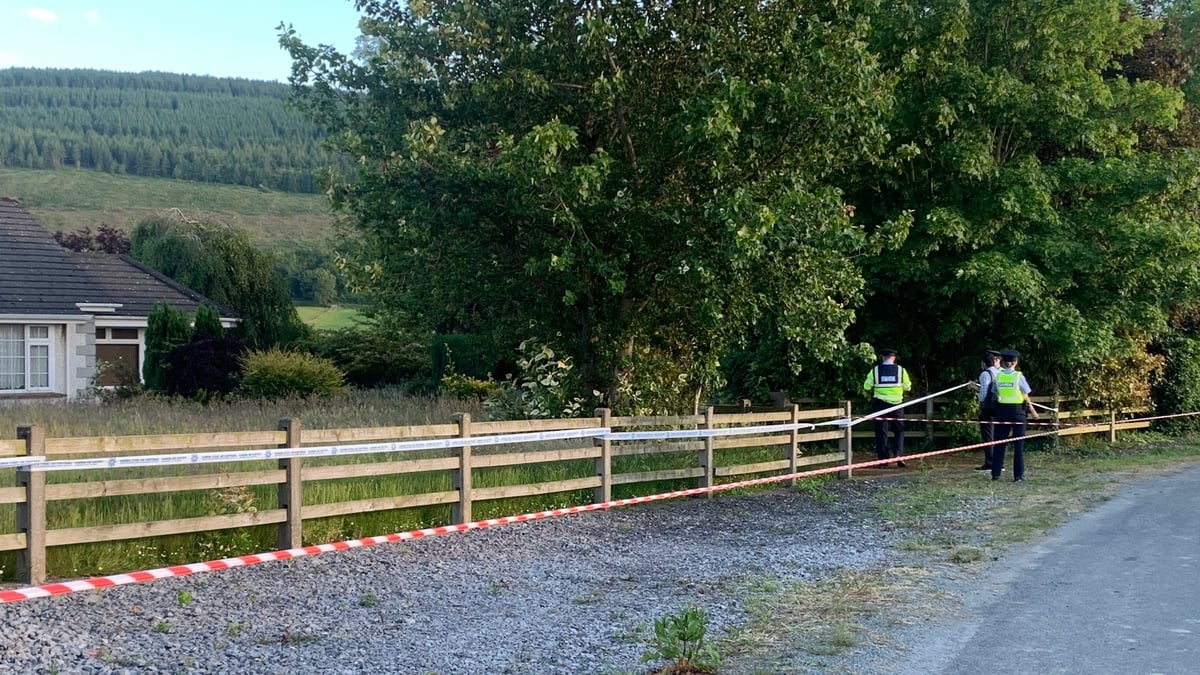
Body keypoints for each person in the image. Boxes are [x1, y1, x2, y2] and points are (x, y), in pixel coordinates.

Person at [990, 349, 1039, 482]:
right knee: (1018, 446)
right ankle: (1018, 476)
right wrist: (1033, 411)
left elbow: (994, 393)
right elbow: (1025, 395)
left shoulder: (998, 376)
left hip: (1002, 412)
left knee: (999, 444)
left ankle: (995, 474)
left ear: (1003, 362)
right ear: (1015, 362)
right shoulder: (1018, 376)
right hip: (1018, 413)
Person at [863, 348, 913, 467]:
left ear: (882, 357)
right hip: (897, 404)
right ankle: (899, 456)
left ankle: (883, 461)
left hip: (880, 404)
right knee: (899, 431)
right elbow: (908, 387)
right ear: (894, 358)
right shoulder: (901, 370)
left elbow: (866, 387)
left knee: (881, 432)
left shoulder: (875, 370)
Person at [975, 350, 1001, 472]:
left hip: (988, 408)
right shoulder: (1000, 372)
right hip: (1000, 407)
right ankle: (999, 462)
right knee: (997, 435)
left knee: (988, 435)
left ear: (983, 363)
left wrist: (980, 408)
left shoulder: (985, 374)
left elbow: (984, 394)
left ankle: (990, 463)